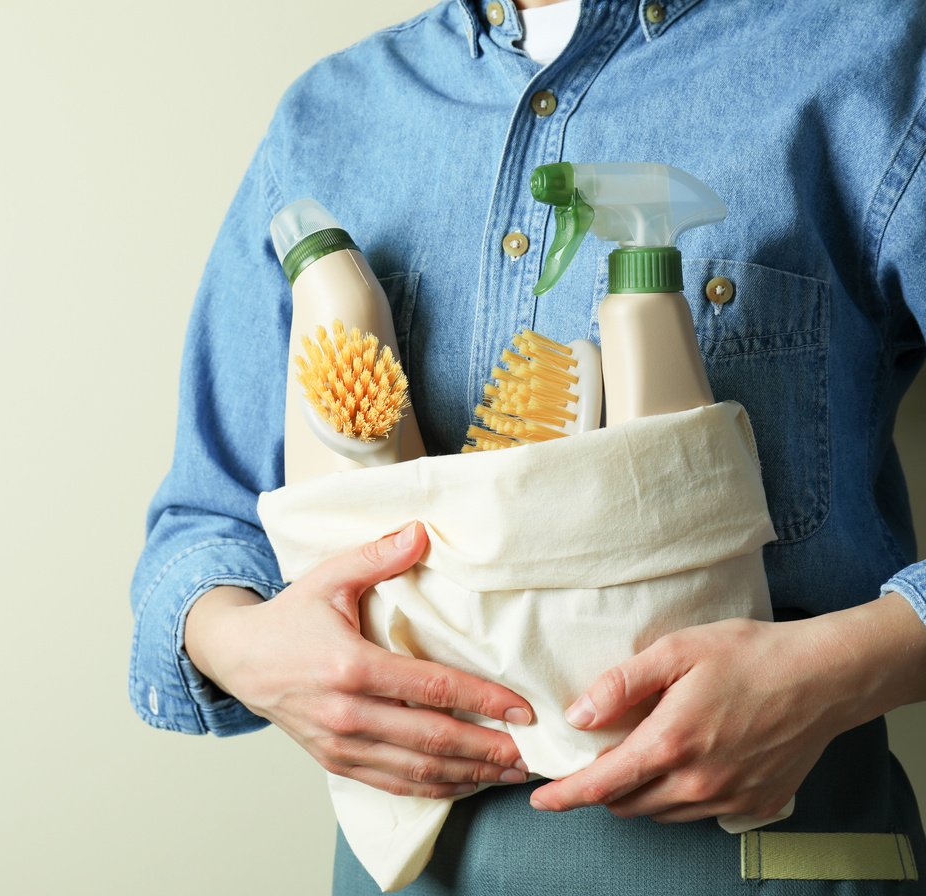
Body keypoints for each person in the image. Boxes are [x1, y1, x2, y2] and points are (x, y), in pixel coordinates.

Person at [129, 0, 926, 891]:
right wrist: (251, 651)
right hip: (409, 865)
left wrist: (839, 674)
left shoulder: (871, 57)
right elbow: (205, 524)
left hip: (759, 857)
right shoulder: (330, 117)